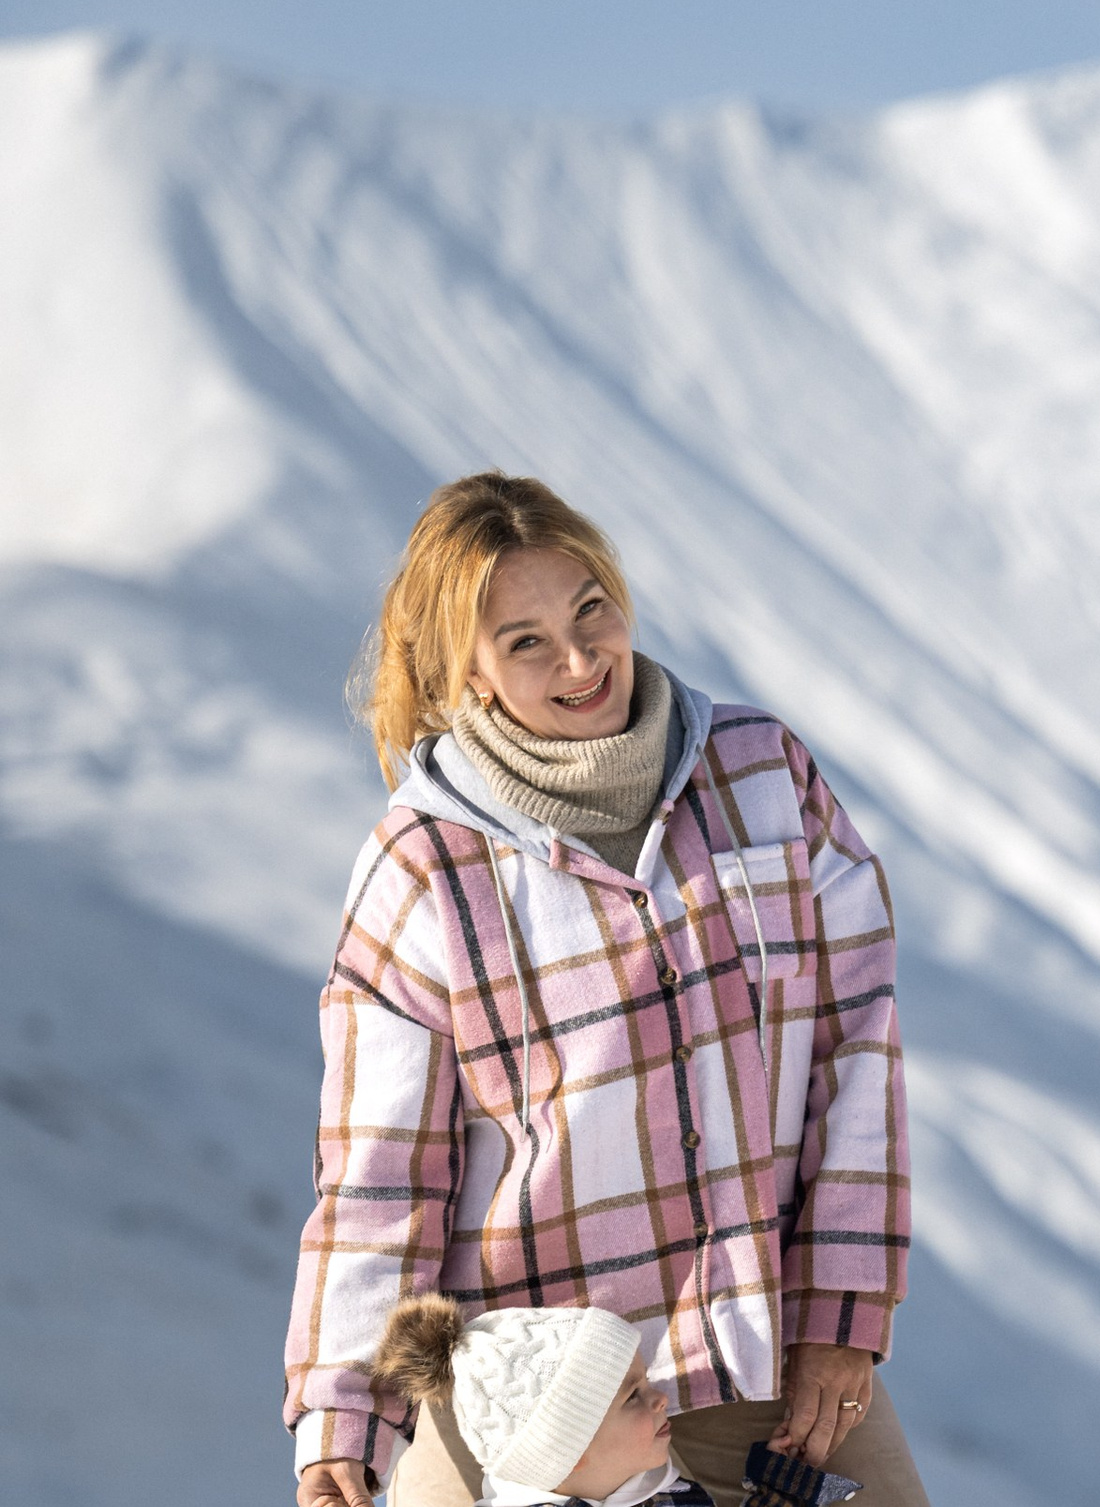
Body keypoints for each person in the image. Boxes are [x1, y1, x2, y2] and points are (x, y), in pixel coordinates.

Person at [284, 472, 928, 1507]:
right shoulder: (423, 868)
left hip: (758, 1354)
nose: (582, 660)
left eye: (590, 609)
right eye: (525, 641)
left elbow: (859, 1049)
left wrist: (842, 1314)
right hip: (528, 1402)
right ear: (469, 674)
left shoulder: (759, 775)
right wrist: (342, 1421)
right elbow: (381, 1174)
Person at [368, 1294, 702, 1507]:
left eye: (644, 1384)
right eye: (633, 1396)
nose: (661, 1399)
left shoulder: (676, 1496)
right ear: (569, 1452)